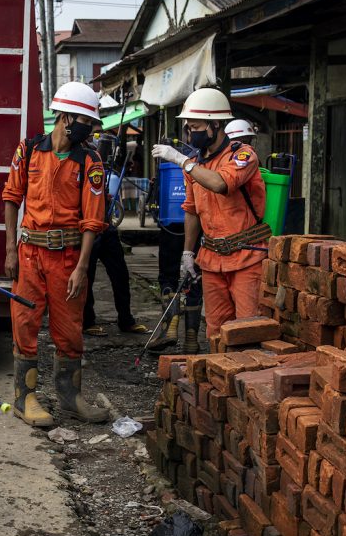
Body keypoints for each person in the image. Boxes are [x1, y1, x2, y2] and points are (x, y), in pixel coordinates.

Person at [3, 81, 109, 428]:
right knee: (24, 323)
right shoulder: (30, 149)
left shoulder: (90, 159)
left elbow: (93, 219)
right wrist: (10, 250)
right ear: (66, 117)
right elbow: (11, 197)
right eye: (84, 121)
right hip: (29, 252)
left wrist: (82, 267)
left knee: (69, 329)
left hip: (67, 256)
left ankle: (70, 398)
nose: (89, 129)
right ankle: (24, 398)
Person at [151, 87, 268, 340]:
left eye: (195, 127)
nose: (190, 133)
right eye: (188, 128)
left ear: (215, 125)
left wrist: (182, 161)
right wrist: (187, 252)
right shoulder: (195, 163)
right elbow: (191, 211)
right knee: (215, 330)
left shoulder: (242, 155)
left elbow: (221, 184)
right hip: (212, 258)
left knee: (246, 328)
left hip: (246, 256)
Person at [146, 130, 204, 356]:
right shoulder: (203, 161)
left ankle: (169, 329)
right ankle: (191, 339)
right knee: (193, 277)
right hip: (196, 226)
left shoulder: (171, 160)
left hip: (170, 225)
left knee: (168, 276)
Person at [82, 130, 144, 337]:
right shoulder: (76, 155)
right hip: (86, 227)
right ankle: (87, 321)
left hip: (106, 226)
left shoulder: (95, 155)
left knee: (120, 274)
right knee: (86, 276)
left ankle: (126, 319)